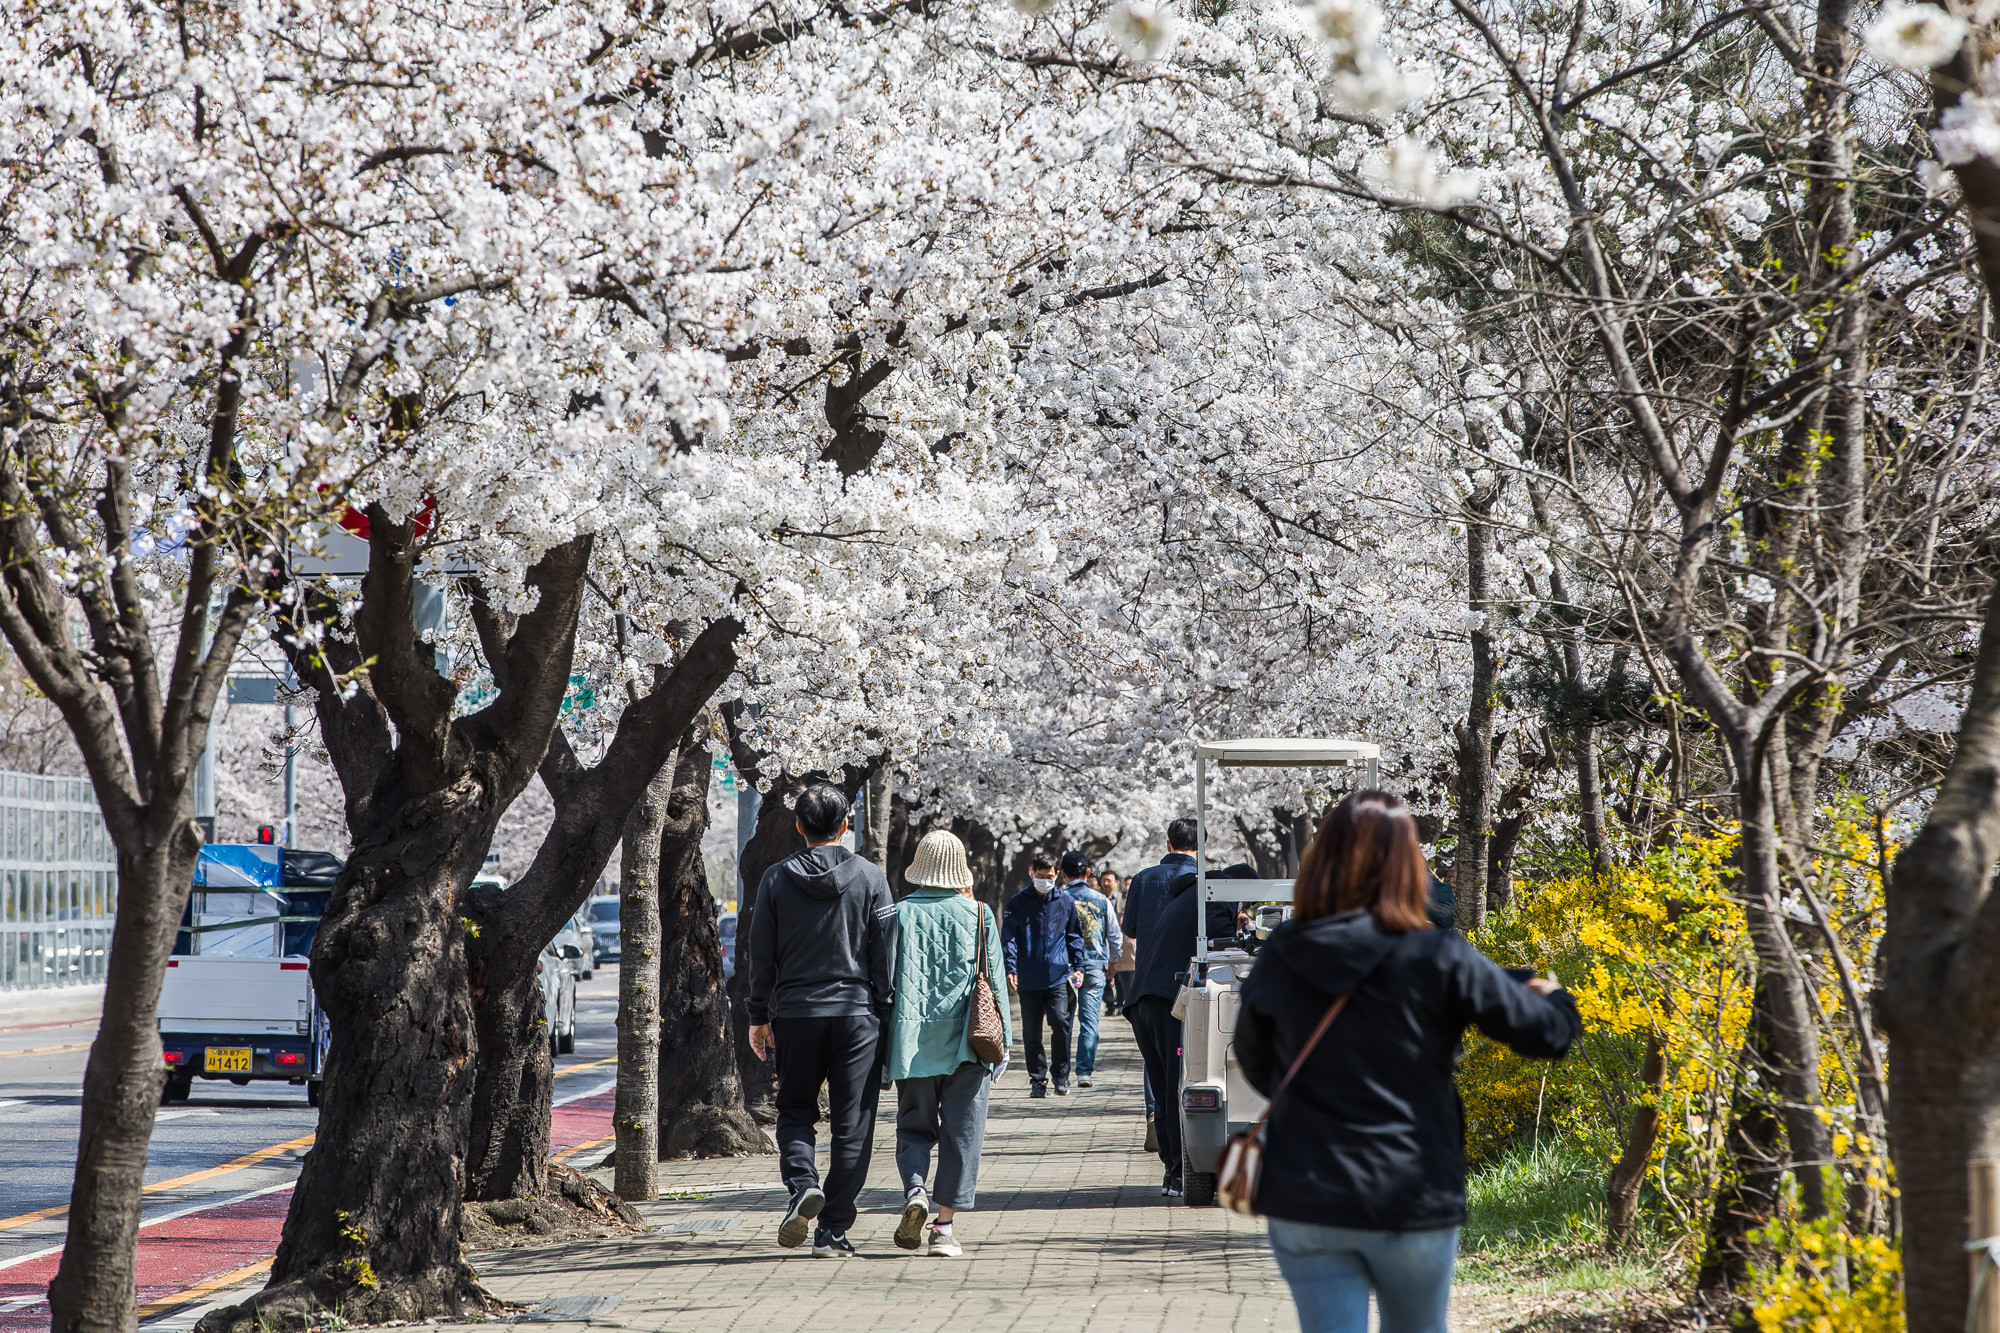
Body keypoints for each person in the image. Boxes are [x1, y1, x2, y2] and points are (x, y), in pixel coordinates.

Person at [1236, 791, 1579, 1333]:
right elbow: (1548, 1036)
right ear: (1408, 865)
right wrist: (1553, 994)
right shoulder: (1438, 956)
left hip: (1308, 1190)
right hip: (1413, 1188)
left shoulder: (1283, 951)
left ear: (1322, 859)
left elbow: (1255, 1057)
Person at [746, 784, 900, 1258]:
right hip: (858, 1017)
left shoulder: (775, 879)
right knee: (853, 1123)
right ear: (846, 825)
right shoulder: (872, 878)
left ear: (798, 826)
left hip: (795, 1013)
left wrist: (758, 1015)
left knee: (795, 1110)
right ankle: (832, 1229)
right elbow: (885, 956)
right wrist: (885, 1011)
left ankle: (801, 1185)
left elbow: (761, 955)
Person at [885, 830, 1010, 1258]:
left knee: (913, 1126)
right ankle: (943, 1228)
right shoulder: (978, 914)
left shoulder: (897, 914)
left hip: (912, 1042)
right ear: (960, 867)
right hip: (968, 1044)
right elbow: (993, 981)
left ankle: (915, 1189)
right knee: (963, 1135)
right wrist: (1004, 1041)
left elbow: (883, 983)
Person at [1125, 858, 1251, 1195]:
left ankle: (1173, 1174)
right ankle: (1178, 1172)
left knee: (1165, 1084)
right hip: (1168, 1001)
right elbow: (1223, 954)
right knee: (1174, 1085)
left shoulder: (1190, 896)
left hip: (1143, 999)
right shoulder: (1215, 900)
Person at [1120, 822, 1198, 1148]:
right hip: (1189, 983)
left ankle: (1154, 1114)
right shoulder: (1205, 883)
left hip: (1147, 980)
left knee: (1155, 1059)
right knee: (1182, 1058)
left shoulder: (1143, 878)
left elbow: (1132, 928)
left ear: (1168, 844)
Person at [1001, 851, 1086, 1098]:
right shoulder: (1017, 903)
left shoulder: (1065, 902)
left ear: (1057, 874)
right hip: (1028, 977)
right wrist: (1011, 968)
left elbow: (1074, 936)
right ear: (1032, 872)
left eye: (1049, 876)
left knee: (1061, 1022)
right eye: (1040, 876)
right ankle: (1038, 1080)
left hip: (1059, 975)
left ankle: (1061, 1074)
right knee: (1031, 1032)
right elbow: (1009, 940)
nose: (1044, 880)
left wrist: (1079, 965)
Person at [1058, 850, 1121, 1088]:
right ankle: (1084, 1072)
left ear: (1062, 874)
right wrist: (1113, 961)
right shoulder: (1102, 900)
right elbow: (1114, 936)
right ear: (1087, 873)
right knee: (1089, 1022)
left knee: (1063, 1022)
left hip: (1063, 968)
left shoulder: (1057, 898)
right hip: (1094, 966)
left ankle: (1062, 1075)